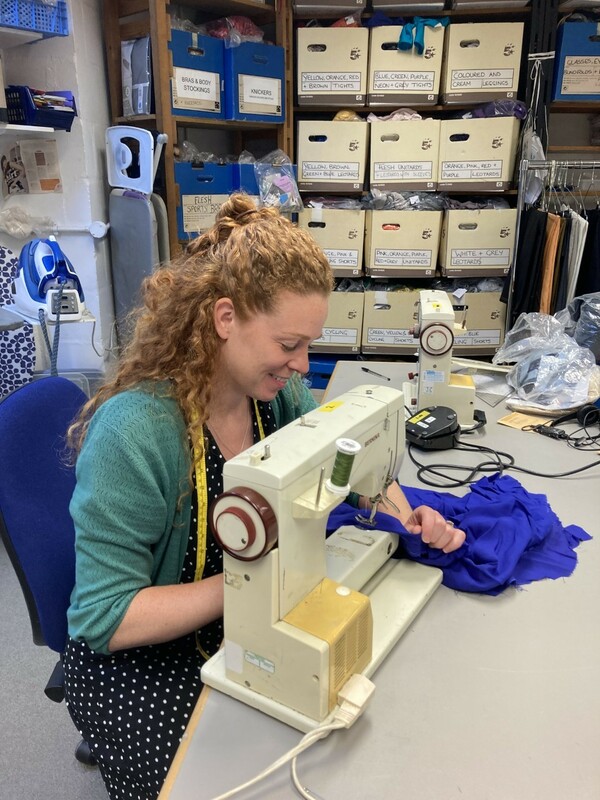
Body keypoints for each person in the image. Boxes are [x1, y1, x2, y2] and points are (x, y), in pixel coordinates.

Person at [63, 194, 465, 800]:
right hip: (141, 659)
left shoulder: (273, 402)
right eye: (288, 345)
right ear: (226, 318)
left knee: (341, 741)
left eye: (308, 345)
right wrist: (247, 588)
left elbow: (344, 460)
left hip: (238, 620)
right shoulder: (136, 433)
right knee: (240, 778)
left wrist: (404, 513)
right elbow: (104, 616)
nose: (303, 365)